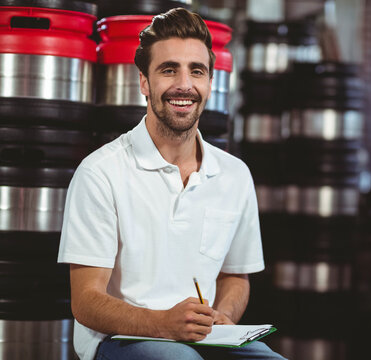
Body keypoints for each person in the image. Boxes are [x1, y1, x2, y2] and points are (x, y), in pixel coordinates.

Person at [57, 7, 285, 360]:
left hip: (202, 337)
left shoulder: (234, 174)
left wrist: (223, 317)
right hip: (120, 340)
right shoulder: (101, 172)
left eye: (197, 71)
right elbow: (86, 302)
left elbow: (235, 277)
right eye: (168, 70)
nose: (184, 84)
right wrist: (163, 323)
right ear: (144, 82)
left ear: (210, 83)